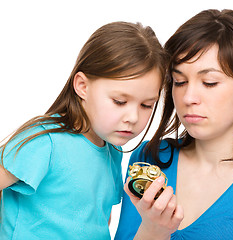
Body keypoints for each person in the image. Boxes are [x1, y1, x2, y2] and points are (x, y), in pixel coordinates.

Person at [114, 9, 233, 240]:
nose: (188, 98)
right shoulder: (150, 158)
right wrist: (153, 230)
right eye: (180, 81)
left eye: (209, 83)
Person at [0, 21, 166, 239]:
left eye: (147, 105)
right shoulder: (46, 141)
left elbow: (97, 221)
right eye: (119, 101)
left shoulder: (112, 151)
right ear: (82, 86)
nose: (133, 118)